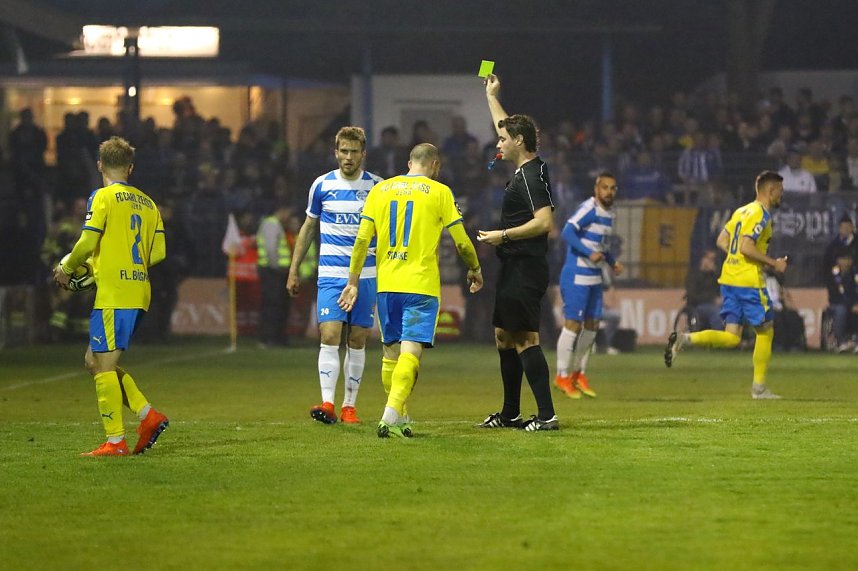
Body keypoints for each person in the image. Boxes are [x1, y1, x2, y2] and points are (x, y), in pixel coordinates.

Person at [337, 143, 482, 438]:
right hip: (420, 285)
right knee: (411, 352)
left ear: (408, 163)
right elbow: (463, 242)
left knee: (391, 354)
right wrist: (475, 268)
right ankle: (390, 414)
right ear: (435, 166)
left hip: (387, 284)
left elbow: (362, 241)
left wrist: (352, 281)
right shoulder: (440, 192)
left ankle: (401, 418)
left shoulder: (381, 190)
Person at [52, 136, 169, 456]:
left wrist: (67, 266)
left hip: (114, 293)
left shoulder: (101, 197)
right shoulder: (149, 204)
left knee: (102, 365)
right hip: (139, 289)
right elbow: (157, 253)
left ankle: (116, 441)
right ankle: (148, 416)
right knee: (94, 359)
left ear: (100, 165)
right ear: (130, 167)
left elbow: (87, 243)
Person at [475, 73, 558, 432]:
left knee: (525, 338)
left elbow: (544, 223)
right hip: (513, 266)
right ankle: (510, 414)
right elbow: (504, 125)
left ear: (519, 141)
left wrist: (502, 235)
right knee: (503, 336)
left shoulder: (532, 175)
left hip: (526, 266)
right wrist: (492, 96)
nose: (498, 143)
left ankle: (547, 415)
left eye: (503, 139)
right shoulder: (524, 168)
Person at [287, 126, 382, 424]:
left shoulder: (377, 188)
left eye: (354, 152)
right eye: (344, 151)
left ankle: (349, 406)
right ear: (336, 152)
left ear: (363, 154)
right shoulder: (322, 185)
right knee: (329, 335)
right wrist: (294, 270)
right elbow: (308, 228)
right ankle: (327, 402)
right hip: (330, 273)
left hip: (366, 275)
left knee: (357, 340)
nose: (349, 157)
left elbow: (386, 232)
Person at [664, 171, 788, 399]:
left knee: (732, 336)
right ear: (771, 192)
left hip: (729, 279)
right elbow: (746, 247)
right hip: (749, 281)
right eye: (780, 191)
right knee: (766, 331)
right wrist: (774, 263)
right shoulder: (761, 215)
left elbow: (722, 240)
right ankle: (759, 388)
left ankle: (685, 338)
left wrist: (737, 255)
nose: (782, 194)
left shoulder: (741, 211)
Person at [554, 172, 624, 399]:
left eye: (612, 188)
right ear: (596, 189)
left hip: (595, 277)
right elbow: (567, 231)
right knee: (572, 324)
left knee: (592, 325)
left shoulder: (610, 214)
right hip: (576, 275)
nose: (609, 192)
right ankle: (561, 376)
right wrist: (587, 252)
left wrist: (612, 262)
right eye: (605, 188)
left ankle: (578, 374)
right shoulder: (589, 208)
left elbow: (602, 245)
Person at [256, 206, 293, 348]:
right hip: (272, 272)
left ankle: (277, 338)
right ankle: (269, 338)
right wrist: (277, 266)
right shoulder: (271, 224)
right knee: (272, 305)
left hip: (277, 272)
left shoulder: (274, 224)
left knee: (279, 305)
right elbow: (271, 248)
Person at [684, 248, 725, 331]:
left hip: (715, 304)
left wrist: (715, 273)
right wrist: (713, 300)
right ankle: (718, 336)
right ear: (703, 259)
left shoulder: (714, 276)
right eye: (709, 259)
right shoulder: (693, 275)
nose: (711, 262)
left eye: (713, 260)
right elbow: (693, 295)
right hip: (698, 306)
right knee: (715, 312)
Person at [825, 251, 858, 353]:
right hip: (837, 303)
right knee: (841, 311)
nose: (845, 262)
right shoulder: (832, 274)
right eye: (842, 259)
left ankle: (855, 341)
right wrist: (851, 305)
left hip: (853, 303)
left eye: (847, 259)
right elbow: (834, 294)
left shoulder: (854, 274)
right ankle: (841, 342)